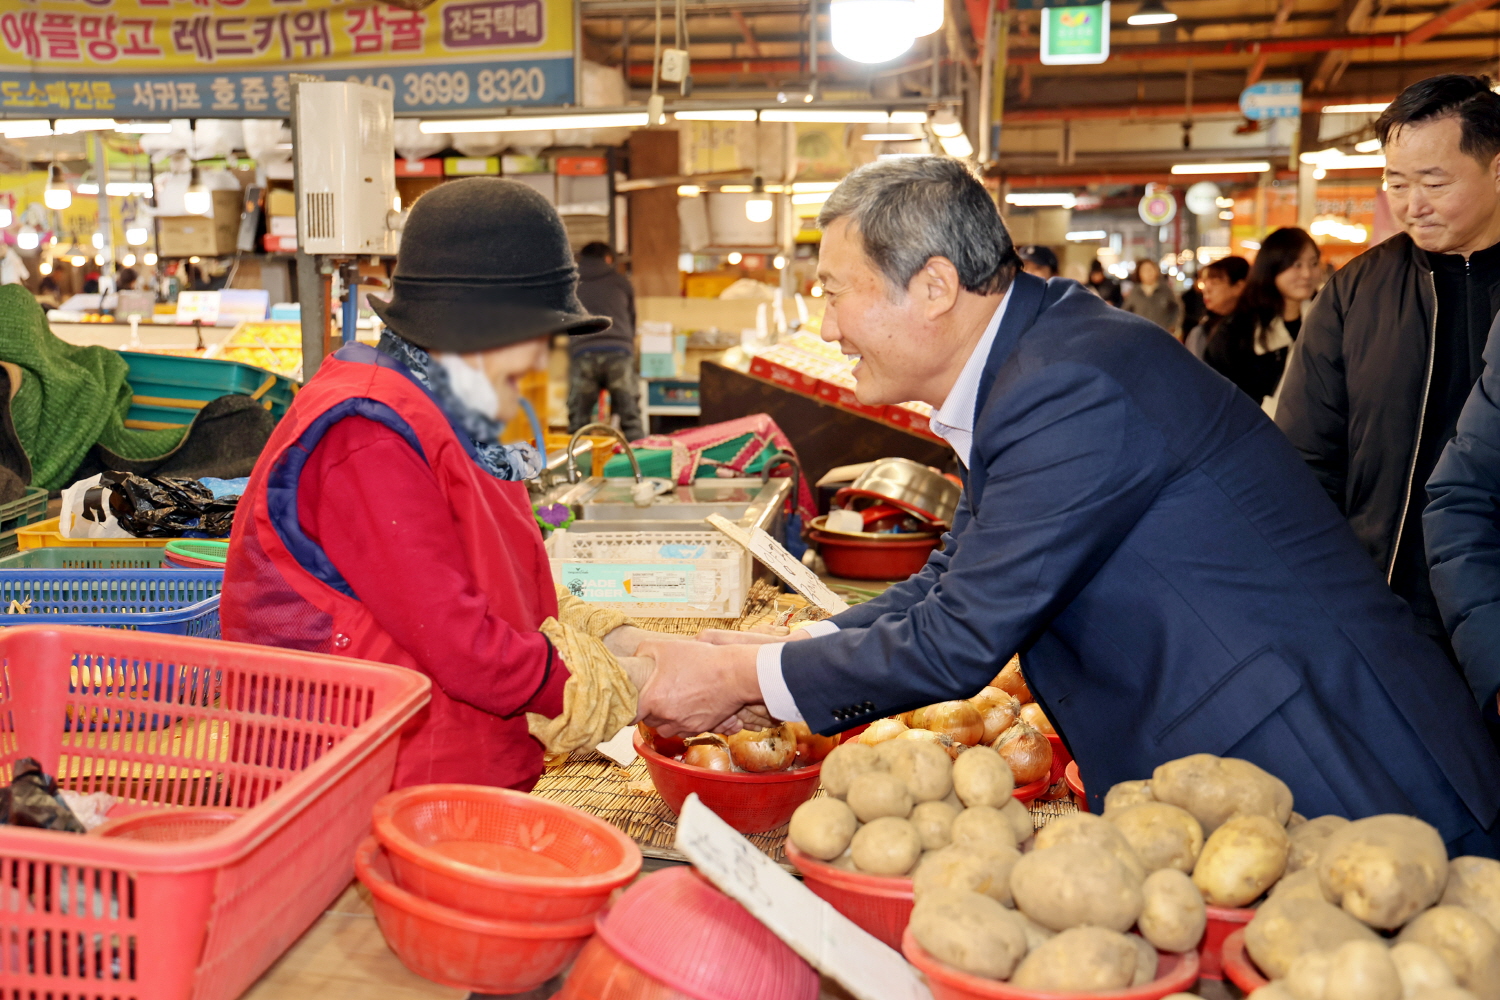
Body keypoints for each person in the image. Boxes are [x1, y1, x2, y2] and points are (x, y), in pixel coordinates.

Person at [634, 156, 1500, 854]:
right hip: (1266, 761)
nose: (826, 328)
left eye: (833, 291)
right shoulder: (1040, 359)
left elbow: (958, 639)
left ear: (934, 287)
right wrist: (786, 648)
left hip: (1335, 767)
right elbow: (955, 577)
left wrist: (742, 680)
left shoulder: (1071, 385)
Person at [222, 179, 674, 791]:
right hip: (353, 786)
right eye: (536, 338)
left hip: (446, 770)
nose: (544, 361)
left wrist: (617, 637)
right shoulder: (368, 433)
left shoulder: (469, 410)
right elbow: (461, 643)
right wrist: (635, 686)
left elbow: (501, 579)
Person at [1276, 74, 1500, 648]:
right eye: (1395, 183)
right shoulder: (1354, 293)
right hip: (1385, 609)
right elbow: (1305, 464)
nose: (1411, 205)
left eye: (1434, 182)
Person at [1204, 229, 1319, 407]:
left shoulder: (1328, 322)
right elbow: (1215, 397)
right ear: (1272, 266)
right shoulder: (1237, 331)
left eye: (1314, 263)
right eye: (1297, 264)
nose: (1307, 274)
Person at [568, 242, 644, 442]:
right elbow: (632, 321)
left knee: (579, 422)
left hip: (583, 352)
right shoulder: (620, 282)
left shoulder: (571, 284)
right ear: (608, 259)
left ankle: (576, 468)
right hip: (618, 351)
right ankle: (641, 464)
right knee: (630, 418)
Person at [1184, 256, 1249, 359]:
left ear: (1239, 287)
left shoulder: (1251, 331)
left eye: (1215, 283)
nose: (1206, 290)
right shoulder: (1202, 330)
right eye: (1205, 283)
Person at [1121, 259, 1181, 334]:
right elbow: (1126, 311)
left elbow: (1177, 308)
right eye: (1144, 270)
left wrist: (1173, 325)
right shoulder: (1135, 292)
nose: (1148, 273)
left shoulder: (1166, 290)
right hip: (1141, 333)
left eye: (1150, 269)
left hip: (1162, 333)